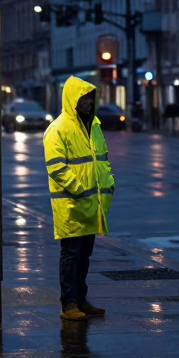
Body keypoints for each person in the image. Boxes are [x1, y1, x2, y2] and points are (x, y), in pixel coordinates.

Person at [43, 76, 116, 322]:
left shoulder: (93, 125)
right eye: (84, 97)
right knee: (71, 254)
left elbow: (102, 160)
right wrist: (80, 190)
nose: (88, 102)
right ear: (72, 99)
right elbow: (56, 167)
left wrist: (109, 184)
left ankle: (81, 300)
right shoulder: (58, 128)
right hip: (72, 205)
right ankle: (69, 303)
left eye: (90, 97)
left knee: (84, 255)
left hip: (91, 205)